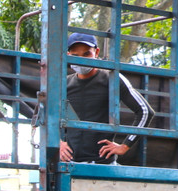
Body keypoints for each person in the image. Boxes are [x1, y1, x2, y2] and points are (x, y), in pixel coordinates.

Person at [61, 32, 155, 164]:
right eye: (75, 55)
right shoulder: (63, 84)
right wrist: (58, 143)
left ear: (96, 52)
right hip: (69, 165)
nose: (81, 59)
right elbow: (46, 114)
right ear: (68, 55)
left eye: (86, 54)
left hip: (103, 165)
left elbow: (145, 111)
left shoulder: (111, 79)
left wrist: (125, 146)